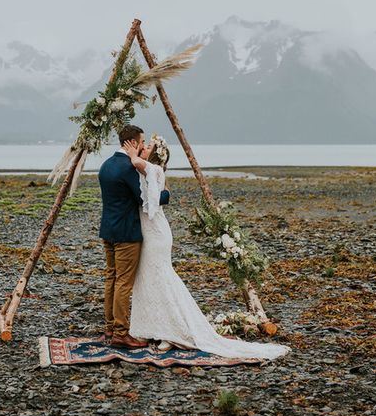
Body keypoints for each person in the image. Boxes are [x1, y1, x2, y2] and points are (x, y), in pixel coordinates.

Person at [124, 135, 290, 361]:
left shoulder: (154, 170)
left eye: (148, 146)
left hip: (157, 236)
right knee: (147, 278)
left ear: (154, 154)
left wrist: (132, 152)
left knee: (161, 277)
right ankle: (154, 326)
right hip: (148, 232)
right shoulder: (149, 171)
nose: (143, 147)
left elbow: (135, 163)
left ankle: (173, 332)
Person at [98, 125, 170, 349]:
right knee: (123, 283)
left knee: (111, 278)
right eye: (142, 141)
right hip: (127, 233)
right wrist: (165, 192)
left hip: (108, 230)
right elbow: (146, 200)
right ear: (133, 143)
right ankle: (120, 332)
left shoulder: (106, 165)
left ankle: (109, 327)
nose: (143, 144)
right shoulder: (129, 168)